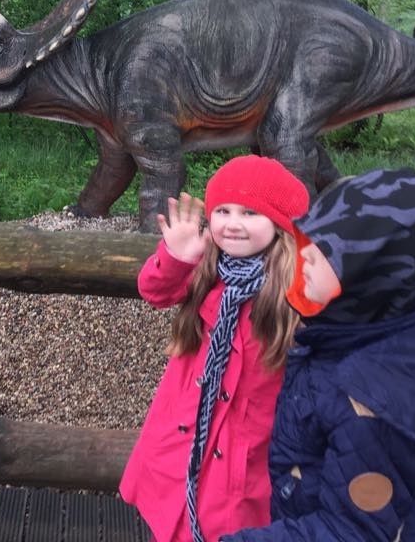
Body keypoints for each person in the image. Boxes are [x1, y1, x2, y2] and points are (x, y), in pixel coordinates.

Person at [222, 168, 415, 541]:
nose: (303, 259)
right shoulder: (401, 318)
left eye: (323, 255)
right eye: (307, 243)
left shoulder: (371, 401)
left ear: (372, 275)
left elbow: (351, 530)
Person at [119, 154, 310, 542]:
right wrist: (176, 258)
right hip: (182, 444)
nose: (233, 223)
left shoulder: (298, 289)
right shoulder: (207, 268)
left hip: (246, 461)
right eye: (223, 211)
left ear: (280, 224)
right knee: (175, 525)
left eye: (250, 213)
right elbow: (155, 292)